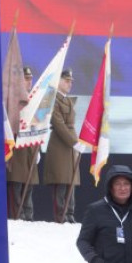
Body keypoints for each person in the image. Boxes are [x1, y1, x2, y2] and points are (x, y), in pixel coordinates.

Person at [44, 69, 79, 223]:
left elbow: (70, 125)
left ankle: (70, 213)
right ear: (58, 81)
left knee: (70, 180)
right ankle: (61, 215)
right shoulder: (53, 99)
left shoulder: (68, 101)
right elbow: (58, 124)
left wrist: (76, 142)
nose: (69, 84)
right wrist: (74, 142)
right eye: (66, 81)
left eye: (71, 81)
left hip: (70, 144)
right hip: (60, 144)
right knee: (60, 181)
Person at [6, 68, 39, 221]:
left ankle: (28, 216)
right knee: (17, 184)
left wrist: (38, 148)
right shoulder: (13, 100)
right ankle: (17, 217)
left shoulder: (33, 99)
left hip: (30, 147)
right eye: (26, 78)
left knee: (28, 184)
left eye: (30, 78)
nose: (29, 81)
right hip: (17, 147)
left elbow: (38, 125)